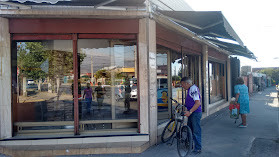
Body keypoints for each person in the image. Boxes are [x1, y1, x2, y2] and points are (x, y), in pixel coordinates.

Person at [181, 77, 202, 154]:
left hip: (195, 113)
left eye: (183, 84)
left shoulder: (193, 89)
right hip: (193, 113)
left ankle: (198, 148)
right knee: (190, 129)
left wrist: (190, 112)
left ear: (187, 83)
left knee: (196, 131)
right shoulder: (191, 89)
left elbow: (197, 103)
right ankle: (190, 145)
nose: (182, 86)